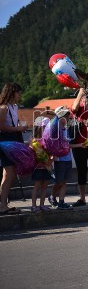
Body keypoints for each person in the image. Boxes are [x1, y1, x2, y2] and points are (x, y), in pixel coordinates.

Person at [48, 106, 88, 210]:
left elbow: (67, 145)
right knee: (59, 181)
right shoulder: (55, 129)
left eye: (67, 116)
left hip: (67, 158)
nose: (67, 118)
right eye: (65, 116)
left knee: (64, 182)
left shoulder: (65, 129)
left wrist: (80, 145)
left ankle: (61, 201)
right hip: (60, 159)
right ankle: (52, 196)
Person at [0, 83, 27, 214]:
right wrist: (18, 128)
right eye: (17, 92)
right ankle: (3, 205)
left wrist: (19, 128)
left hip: (12, 141)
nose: (19, 95)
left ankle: (3, 203)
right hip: (6, 142)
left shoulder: (14, 107)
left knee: (9, 175)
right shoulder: (4, 108)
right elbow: (2, 127)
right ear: (11, 93)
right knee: (8, 174)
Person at [30, 118, 53, 212]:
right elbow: (31, 152)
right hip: (38, 166)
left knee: (45, 186)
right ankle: (33, 206)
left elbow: (52, 152)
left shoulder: (50, 139)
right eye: (44, 127)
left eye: (47, 128)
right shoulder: (35, 139)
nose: (45, 129)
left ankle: (42, 205)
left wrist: (51, 159)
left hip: (47, 166)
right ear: (39, 127)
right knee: (37, 185)